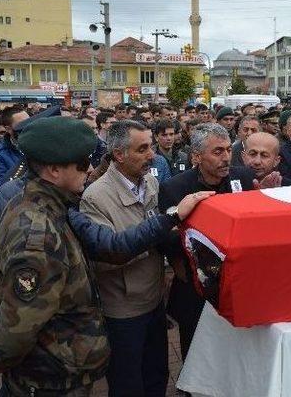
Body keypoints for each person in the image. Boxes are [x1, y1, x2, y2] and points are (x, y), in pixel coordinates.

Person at [0, 117, 108, 396]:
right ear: (53, 170)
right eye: (83, 164)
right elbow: (21, 325)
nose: (89, 171)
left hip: (55, 369)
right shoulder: (37, 235)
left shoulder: (39, 201)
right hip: (50, 379)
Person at [158, 124, 280, 363]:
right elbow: (166, 240)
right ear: (196, 156)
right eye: (217, 152)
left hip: (240, 286)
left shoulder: (243, 177)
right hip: (196, 291)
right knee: (196, 356)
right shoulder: (175, 188)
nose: (226, 158)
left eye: (228, 150)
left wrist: (263, 202)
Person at [80, 120, 168, 396]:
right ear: (119, 154)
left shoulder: (151, 182)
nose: (151, 154)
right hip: (123, 310)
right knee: (127, 383)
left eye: (150, 146)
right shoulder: (95, 197)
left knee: (157, 374)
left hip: (154, 300)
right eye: (142, 149)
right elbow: (106, 255)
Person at [0, 106, 30, 190]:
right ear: (8, 129)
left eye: (29, 121)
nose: (28, 126)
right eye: (22, 124)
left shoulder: (40, 144)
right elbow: (1, 188)